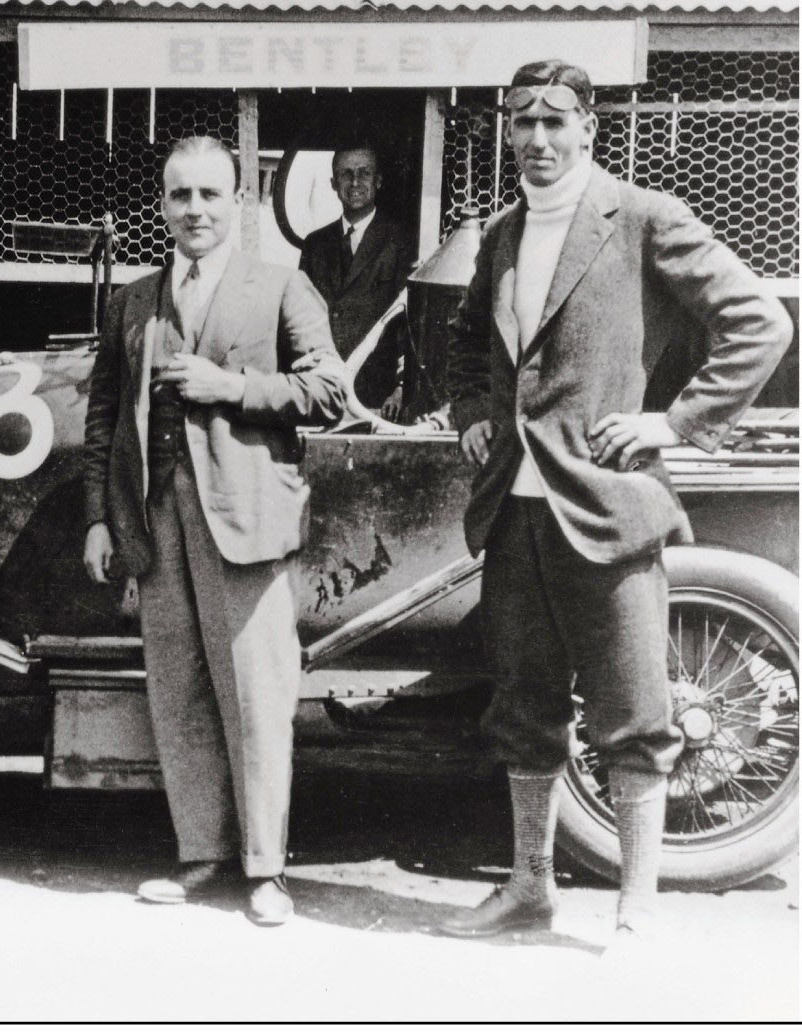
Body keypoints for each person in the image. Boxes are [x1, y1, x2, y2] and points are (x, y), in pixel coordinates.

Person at [439, 61, 791, 945]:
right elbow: (469, 337)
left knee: (634, 713)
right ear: (506, 131)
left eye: (557, 122)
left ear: (590, 128)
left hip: (609, 508)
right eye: (523, 122)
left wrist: (671, 424)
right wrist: (475, 413)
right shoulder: (502, 234)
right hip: (515, 511)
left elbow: (759, 322)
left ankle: (637, 907)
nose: (539, 140)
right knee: (522, 711)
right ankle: (528, 889)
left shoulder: (643, 219)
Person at [83, 137, 348, 926]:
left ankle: (266, 870)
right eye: (178, 196)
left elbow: (331, 390)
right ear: (162, 205)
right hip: (155, 519)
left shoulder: (281, 285)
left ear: (239, 201)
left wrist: (230, 387)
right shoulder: (133, 299)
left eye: (208, 195)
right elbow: (103, 416)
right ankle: (200, 855)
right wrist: (99, 517)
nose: (193, 210)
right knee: (181, 691)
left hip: (246, 520)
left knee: (257, 698)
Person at [298, 146, 414, 414]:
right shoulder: (315, 245)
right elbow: (302, 318)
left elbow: (407, 322)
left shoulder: (400, 242)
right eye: (345, 174)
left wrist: (400, 387)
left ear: (378, 181)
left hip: (378, 396)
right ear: (333, 183)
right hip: (324, 388)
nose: (355, 183)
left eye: (364, 173)